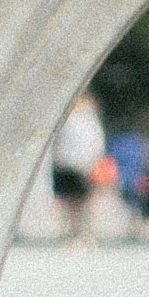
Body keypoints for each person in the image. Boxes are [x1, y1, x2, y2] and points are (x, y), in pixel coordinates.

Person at [51, 97, 107, 244]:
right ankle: (73, 231)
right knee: (72, 201)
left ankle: (83, 231)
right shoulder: (71, 120)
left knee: (81, 201)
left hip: (81, 166)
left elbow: (96, 143)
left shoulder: (87, 121)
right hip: (70, 165)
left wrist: (93, 162)